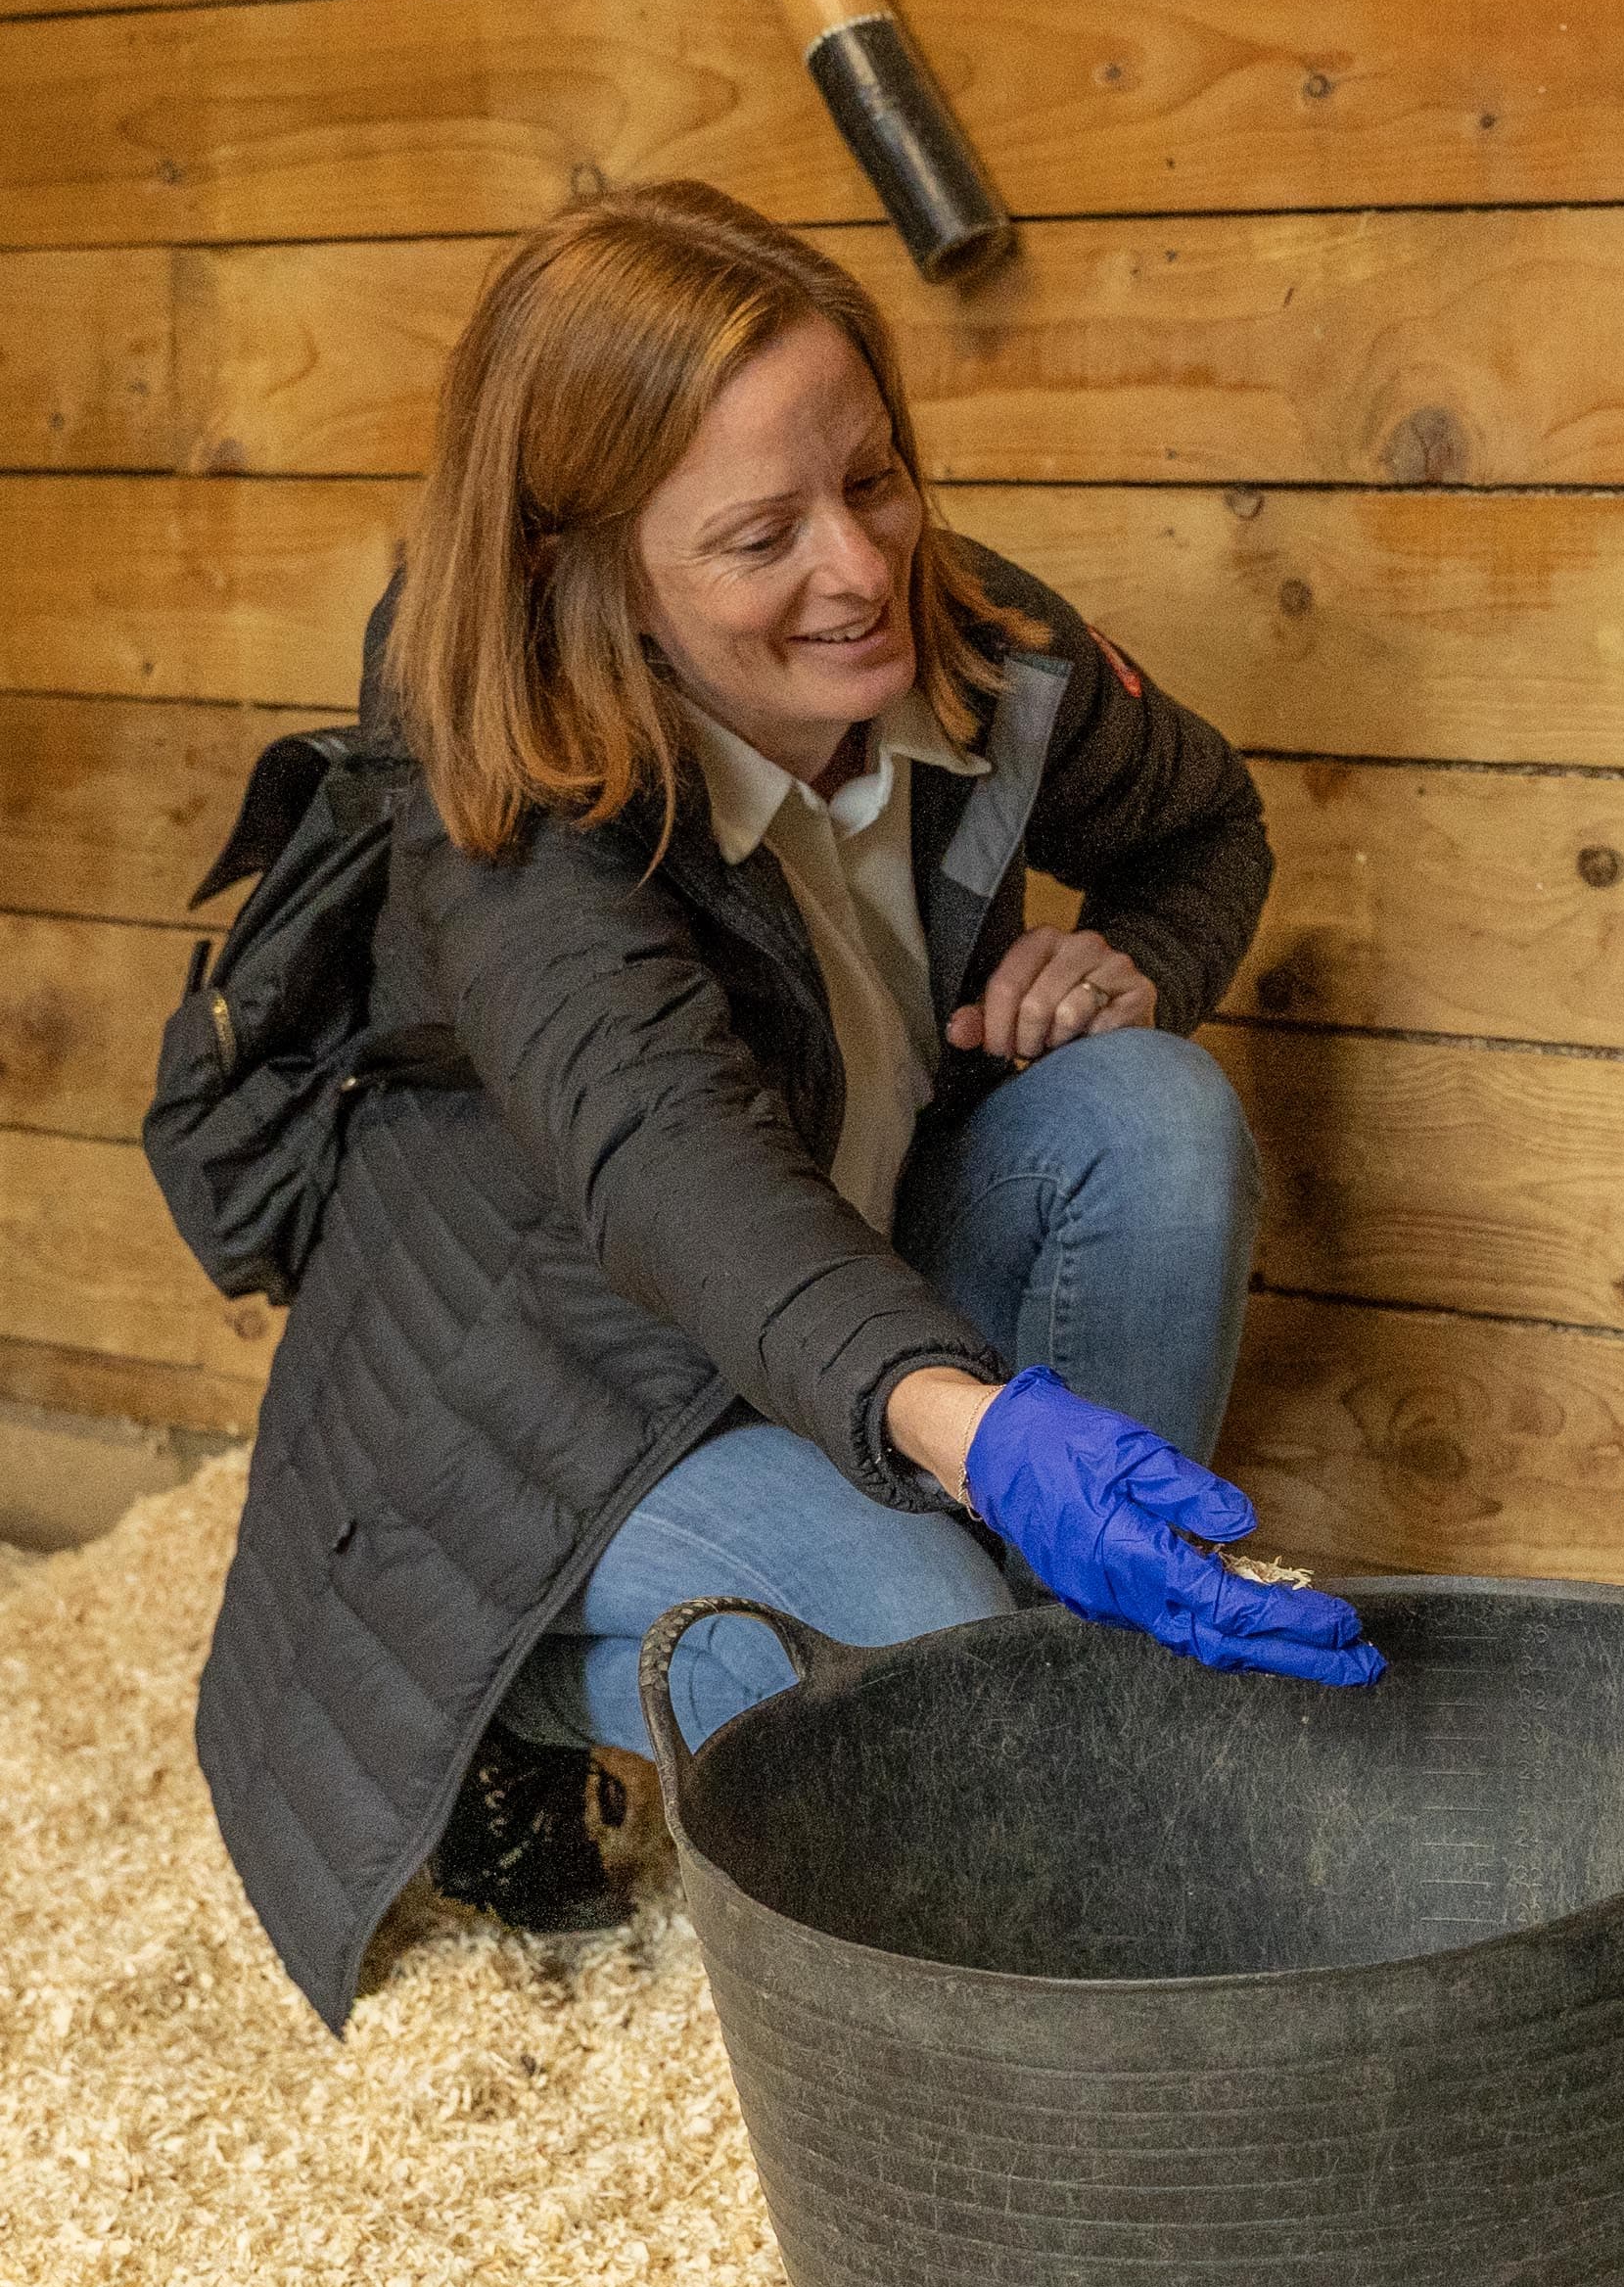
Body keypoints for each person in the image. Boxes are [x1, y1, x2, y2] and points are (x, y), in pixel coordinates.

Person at [198, 180, 1380, 2034]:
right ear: (582, 575)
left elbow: (1206, 822)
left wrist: (1140, 959)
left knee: (1148, 1112)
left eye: (878, 478)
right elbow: (666, 1158)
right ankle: (525, 1695)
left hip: (856, 1280)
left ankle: (1063, 1705)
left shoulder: (980, 643)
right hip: (575, 1389)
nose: (860, 568)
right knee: (924, 1678)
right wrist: (980, 1436)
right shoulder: (508, 784)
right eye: (761, 534)